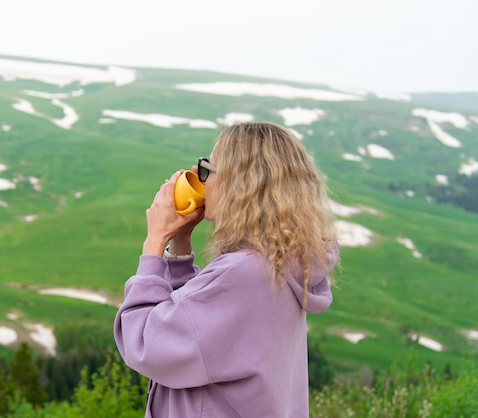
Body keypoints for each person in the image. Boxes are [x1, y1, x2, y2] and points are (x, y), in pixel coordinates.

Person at [114, 121, 339, 417]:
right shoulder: (279, 264)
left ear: (241, 184)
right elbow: (196, 328)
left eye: (207, 170)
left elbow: (146, 343)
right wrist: (180, 243)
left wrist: (154, 242)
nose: (201, 181)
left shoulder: (243, 273)